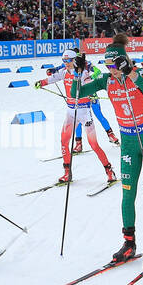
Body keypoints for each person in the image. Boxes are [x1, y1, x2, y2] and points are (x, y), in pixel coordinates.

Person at [76, 35, 143, 262]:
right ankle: (129, 243)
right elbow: (78, 93)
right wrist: (79, 72)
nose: (111, 69)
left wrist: (131, 71)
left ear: (124, 62)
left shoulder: (137, 76)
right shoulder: (106, 81)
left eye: (115, 65)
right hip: (129, 143)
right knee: (127, 194)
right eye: (107, 65)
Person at [35, 49, 115, 184]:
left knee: (94, 144)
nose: (66, 63)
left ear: (74, 60)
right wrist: (40, 82)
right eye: (64, 61)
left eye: (68, 61)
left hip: (84, 112)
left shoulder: (84, 73)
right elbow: (51, 79)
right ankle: (67, 173)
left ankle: (109, 170)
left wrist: (88, 85)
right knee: (64, 141)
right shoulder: (64, 73)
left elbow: (94, 81)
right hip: (71, 112)